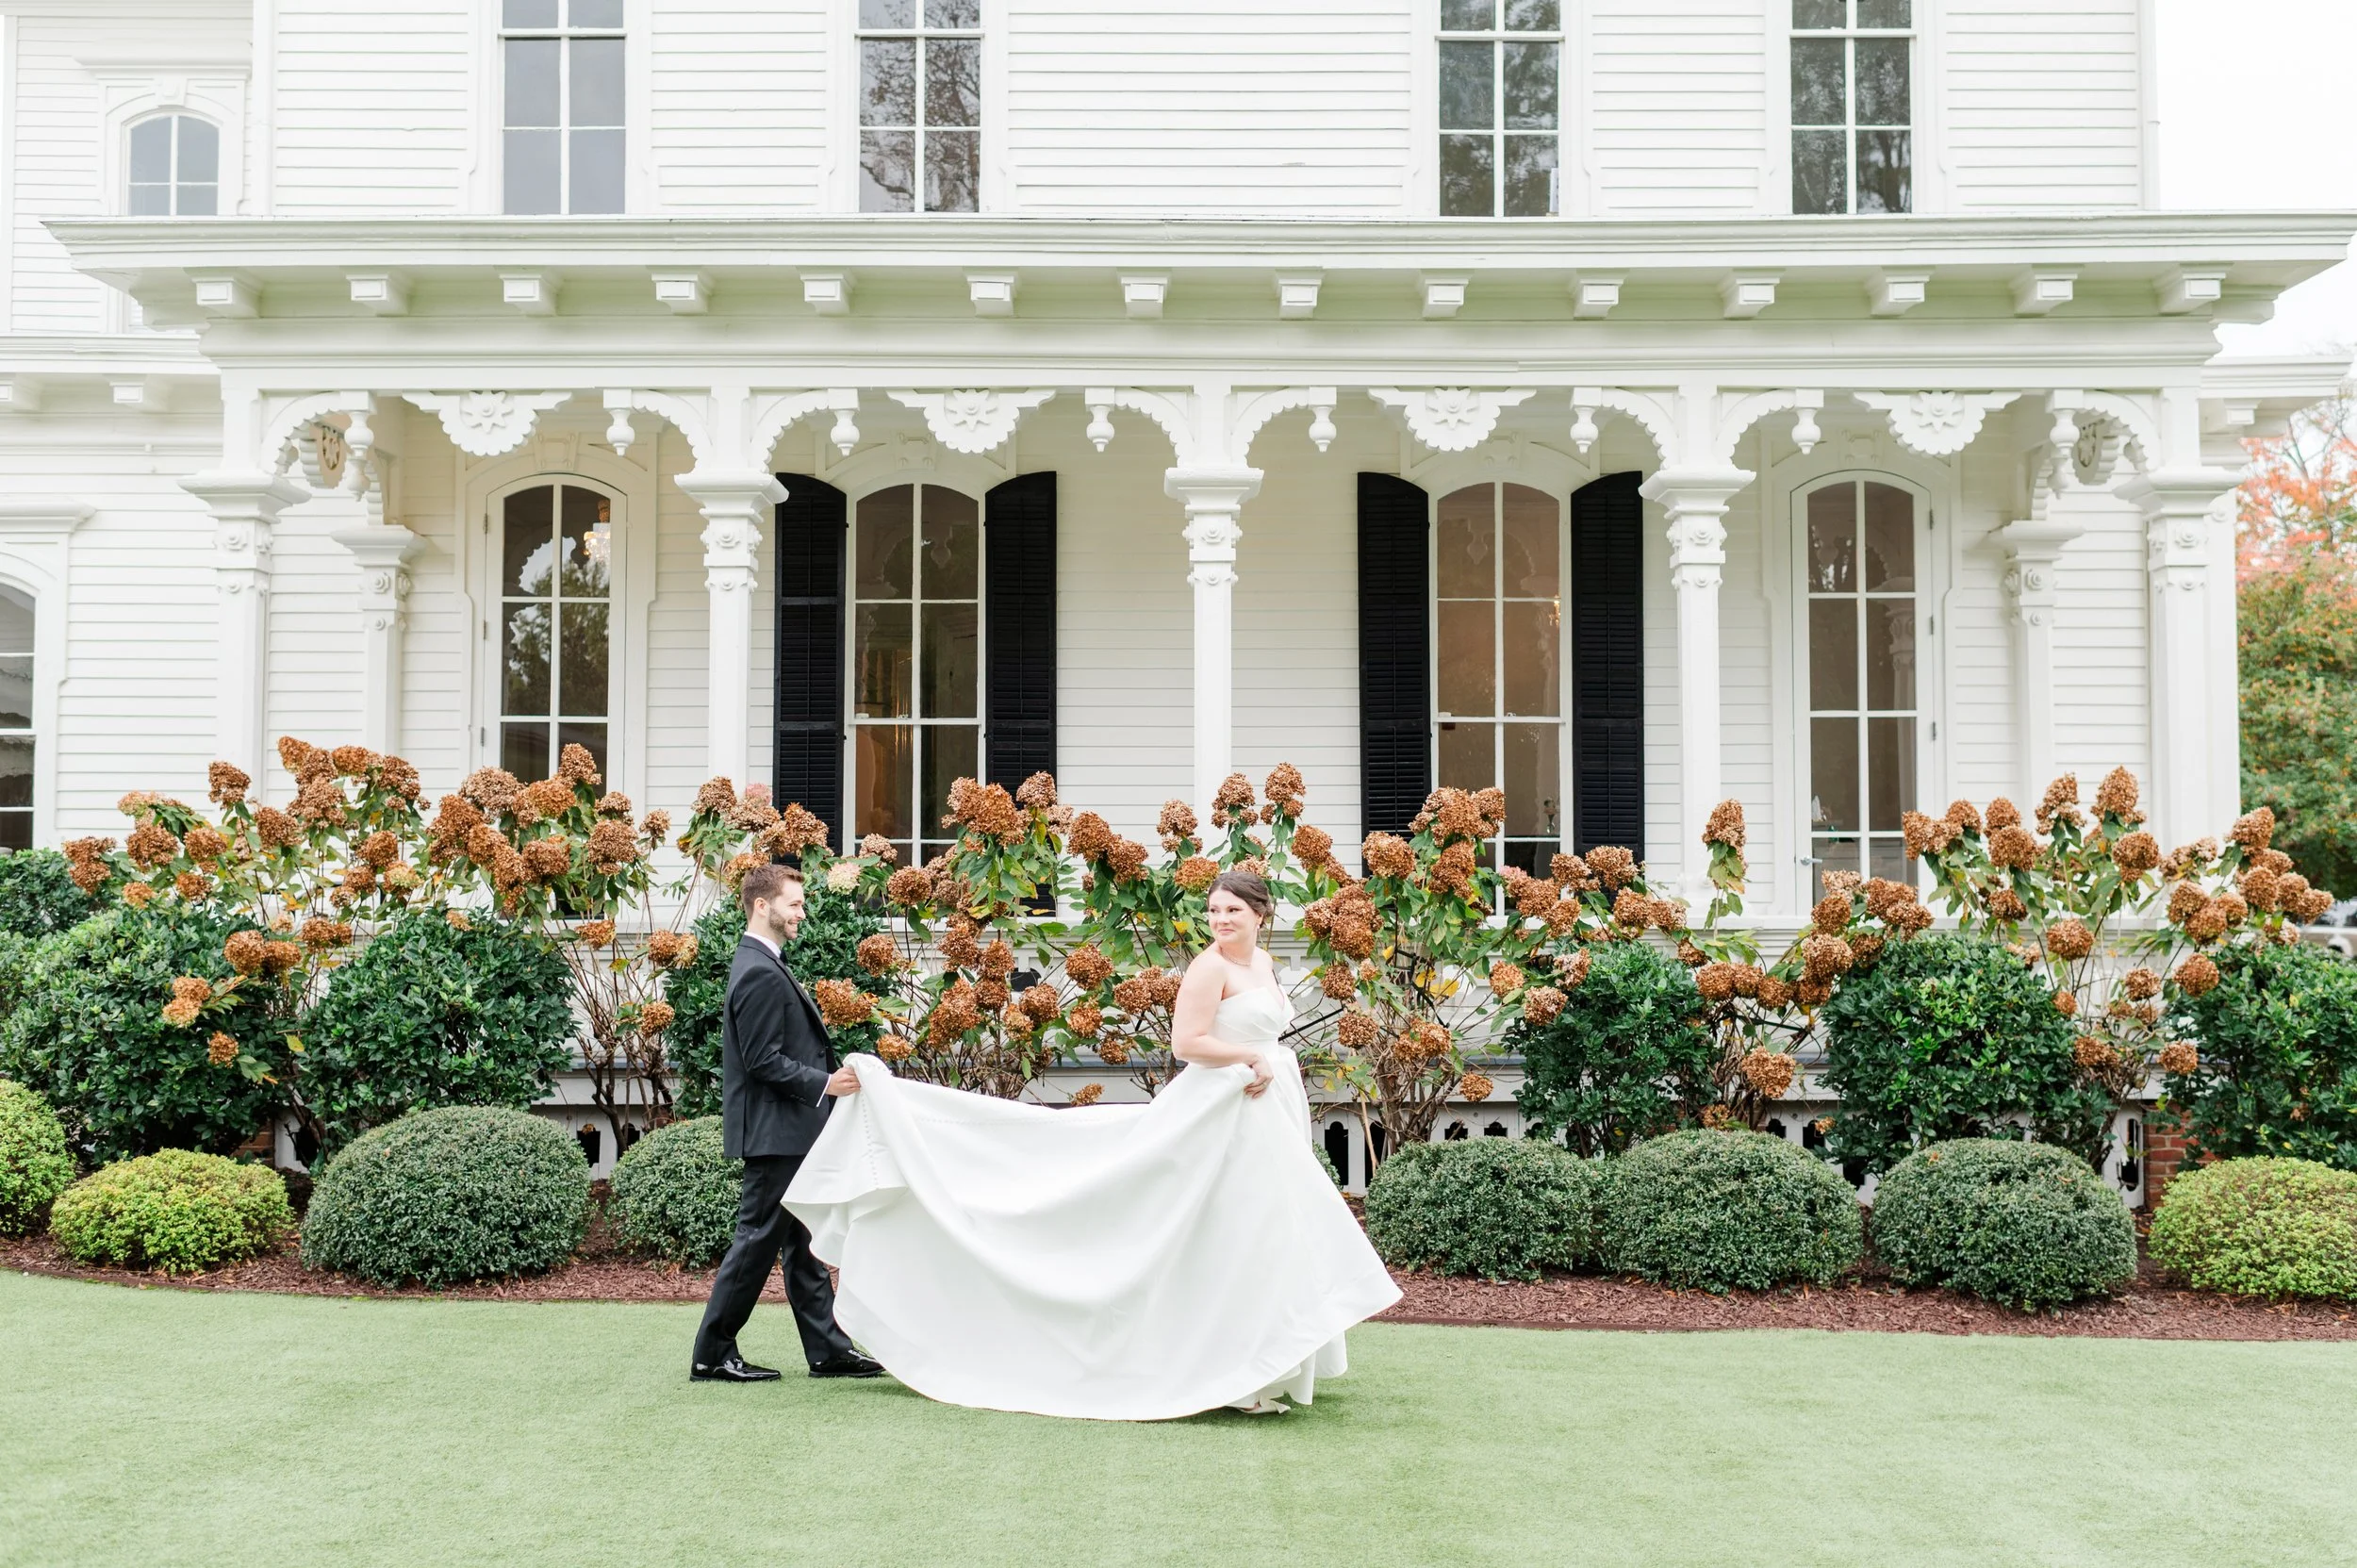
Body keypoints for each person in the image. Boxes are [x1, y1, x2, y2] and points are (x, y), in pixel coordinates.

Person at [784, 869, 1400, 1420]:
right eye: (1213, 910)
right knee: (1219, 1234)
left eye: (1232, 911)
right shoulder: (1209, 967)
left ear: (1260, 914)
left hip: (1265, 1111)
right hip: (1220, 1109)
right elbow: (1187, 1043)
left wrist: (1263, 1062)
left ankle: (1270, 1358)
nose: (1220, 920)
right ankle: (1227, 1371)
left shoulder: (1261, 966)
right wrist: (1246, 1055)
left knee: (1267, 1234)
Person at [690, 862, 885, 1384]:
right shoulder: (756, 969)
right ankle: (711, 1354)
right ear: (763, 906)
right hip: (776, 1134)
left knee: (801, 1242)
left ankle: (828, 1351)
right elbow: (761, 1060)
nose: (801, 911)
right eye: (794, 903)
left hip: (791, 1130)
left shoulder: (764, 962)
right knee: (756, 1241)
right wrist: (827, 1083)